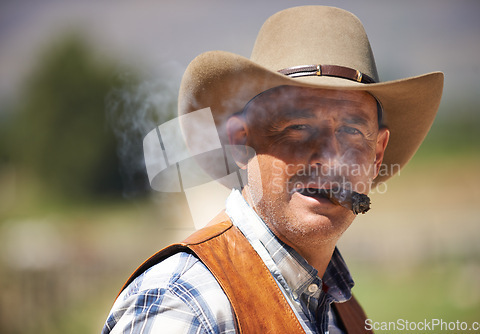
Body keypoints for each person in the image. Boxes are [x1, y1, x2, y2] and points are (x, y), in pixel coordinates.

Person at [102, 6, 443, 334]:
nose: (330, 158)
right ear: (240, 142)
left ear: (377, 154)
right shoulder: (186, 305)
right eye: (298, 127)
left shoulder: (345, 313)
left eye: (352, 131)